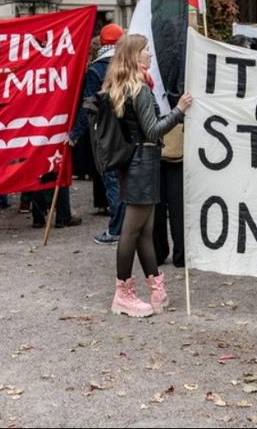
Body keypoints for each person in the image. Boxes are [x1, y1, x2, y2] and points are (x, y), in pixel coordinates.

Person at [102, 34, 192, 317]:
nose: (150, 54)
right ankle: (123, 294)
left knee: (145, 231)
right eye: (146, 50)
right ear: (134, 55)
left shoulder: (127, 85)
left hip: (139, 163)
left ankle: (156, 290)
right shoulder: (139, 88)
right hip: (143, 162)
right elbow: (152, 130)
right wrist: (179, 111)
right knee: (132, 230)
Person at [70, 23, 125, 243]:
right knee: (124, 183)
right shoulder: (126, 66)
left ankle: (116, 229)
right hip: (127, 131)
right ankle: (126, 228)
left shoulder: (97, 70)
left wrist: (74, 134)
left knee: (112, 182)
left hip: (105, 134)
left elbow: (88, 106)